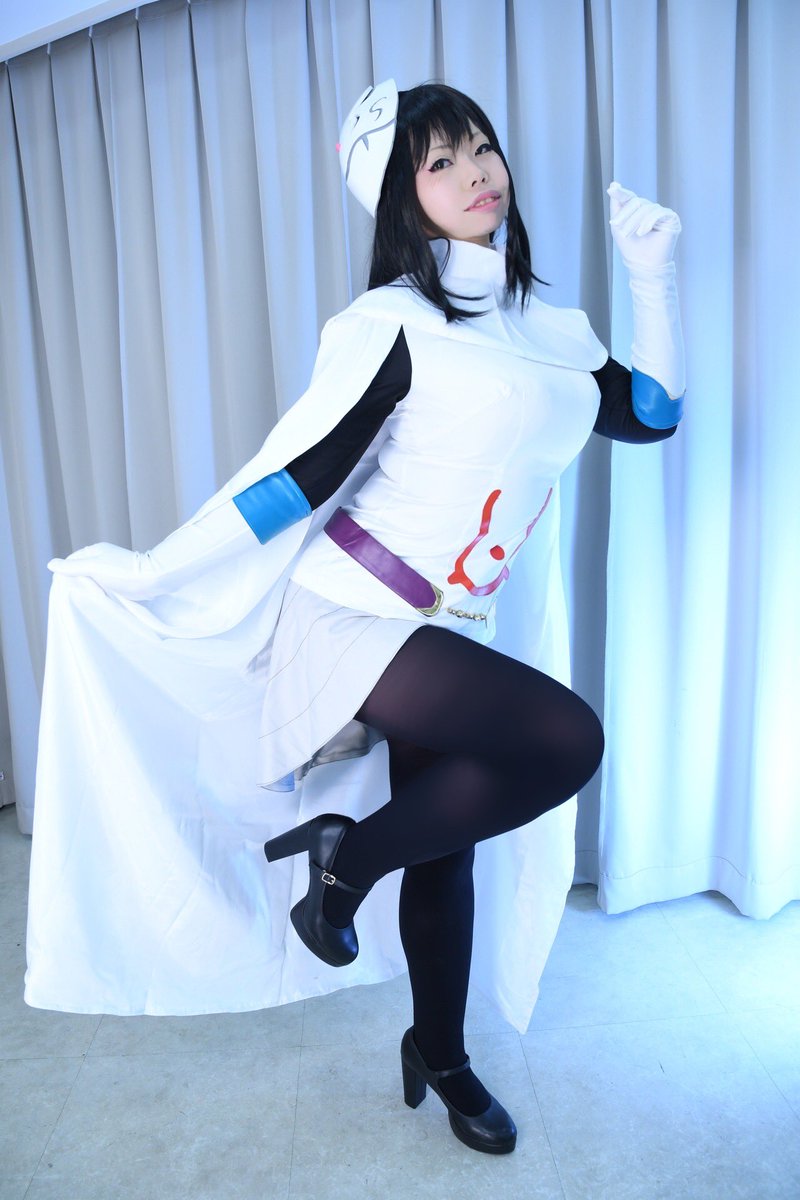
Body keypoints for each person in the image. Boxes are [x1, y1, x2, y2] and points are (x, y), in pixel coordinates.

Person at [27, 80, 684, 1156]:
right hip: (350, 613)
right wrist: (154, 569)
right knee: (565, 740)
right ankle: (344, 865)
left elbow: (649, 417)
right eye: (439, 163)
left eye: (481, 147)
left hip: (450, 627)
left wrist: (651, 277)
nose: (475, 173)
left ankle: (440, 1051)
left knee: (449, 848)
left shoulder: (549, 329)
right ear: (402, 202)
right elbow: (297, 477)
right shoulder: (393, 324)